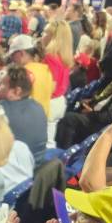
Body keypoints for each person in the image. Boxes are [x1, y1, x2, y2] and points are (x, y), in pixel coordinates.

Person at [0, 64, 48, 165]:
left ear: (16, 91)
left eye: (2, 84)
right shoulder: (39, 107)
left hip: (13, 171)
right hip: (37, 167)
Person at [41, 19, 74, 148]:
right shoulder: (63, 56)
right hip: (59, 101)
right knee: (49, 138)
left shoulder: (50, 57)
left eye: (45, 32)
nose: (41, 35)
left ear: (53, 37)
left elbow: (50, 85)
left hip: (49, 102)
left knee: (45, 142)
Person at [6, 34, 54, 117]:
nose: (12, 59)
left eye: (12, 55)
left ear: (21, 53)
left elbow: (11, 97)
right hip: (42, 119)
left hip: (24, 118)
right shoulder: (46, 70)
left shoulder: (23, 72)